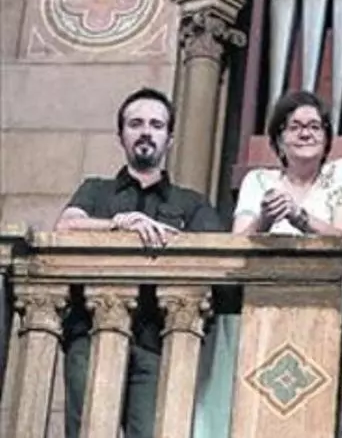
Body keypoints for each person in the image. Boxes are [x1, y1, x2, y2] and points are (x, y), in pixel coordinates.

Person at [54, 87, 227, 438]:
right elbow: (66, 226)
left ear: (170, 139)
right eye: (135, 124)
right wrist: (119, 223)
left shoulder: (192, 203)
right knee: (87, 431)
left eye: (156, 125)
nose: (146, 131)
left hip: (160, 340)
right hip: (89, 332)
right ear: (121, 136)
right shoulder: (96, 190)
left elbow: (215, 256)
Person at [193, 90, 342, 438]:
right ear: (279, 138)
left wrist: (300, 217)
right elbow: (238, 243)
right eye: (295, 126)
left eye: (315, 126)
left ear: (327, 137)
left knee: (317, 415)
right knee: (262, 412)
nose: (306, 133)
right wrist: (265, 220)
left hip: (329, 308)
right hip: (263, 311)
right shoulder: (259, 181)